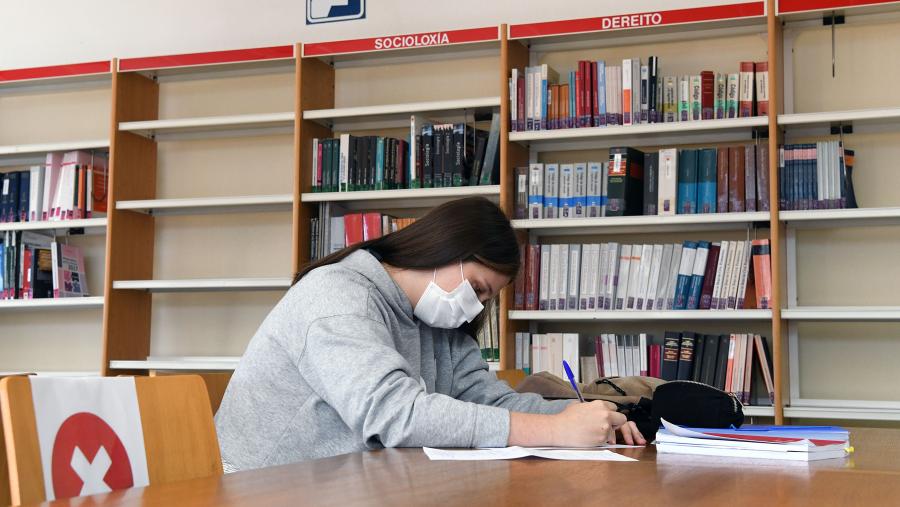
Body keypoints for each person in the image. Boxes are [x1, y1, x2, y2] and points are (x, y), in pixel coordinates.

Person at [215, 196, 645, 472]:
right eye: (476, 288)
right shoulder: (336, 296)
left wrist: (592, 418)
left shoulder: (436, 322)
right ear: (443, 248)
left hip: (358, 485)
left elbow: (494, 403)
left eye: (486, 299)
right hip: (261, 489)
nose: (475, 307)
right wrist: (552, 432)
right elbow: (394, 415)